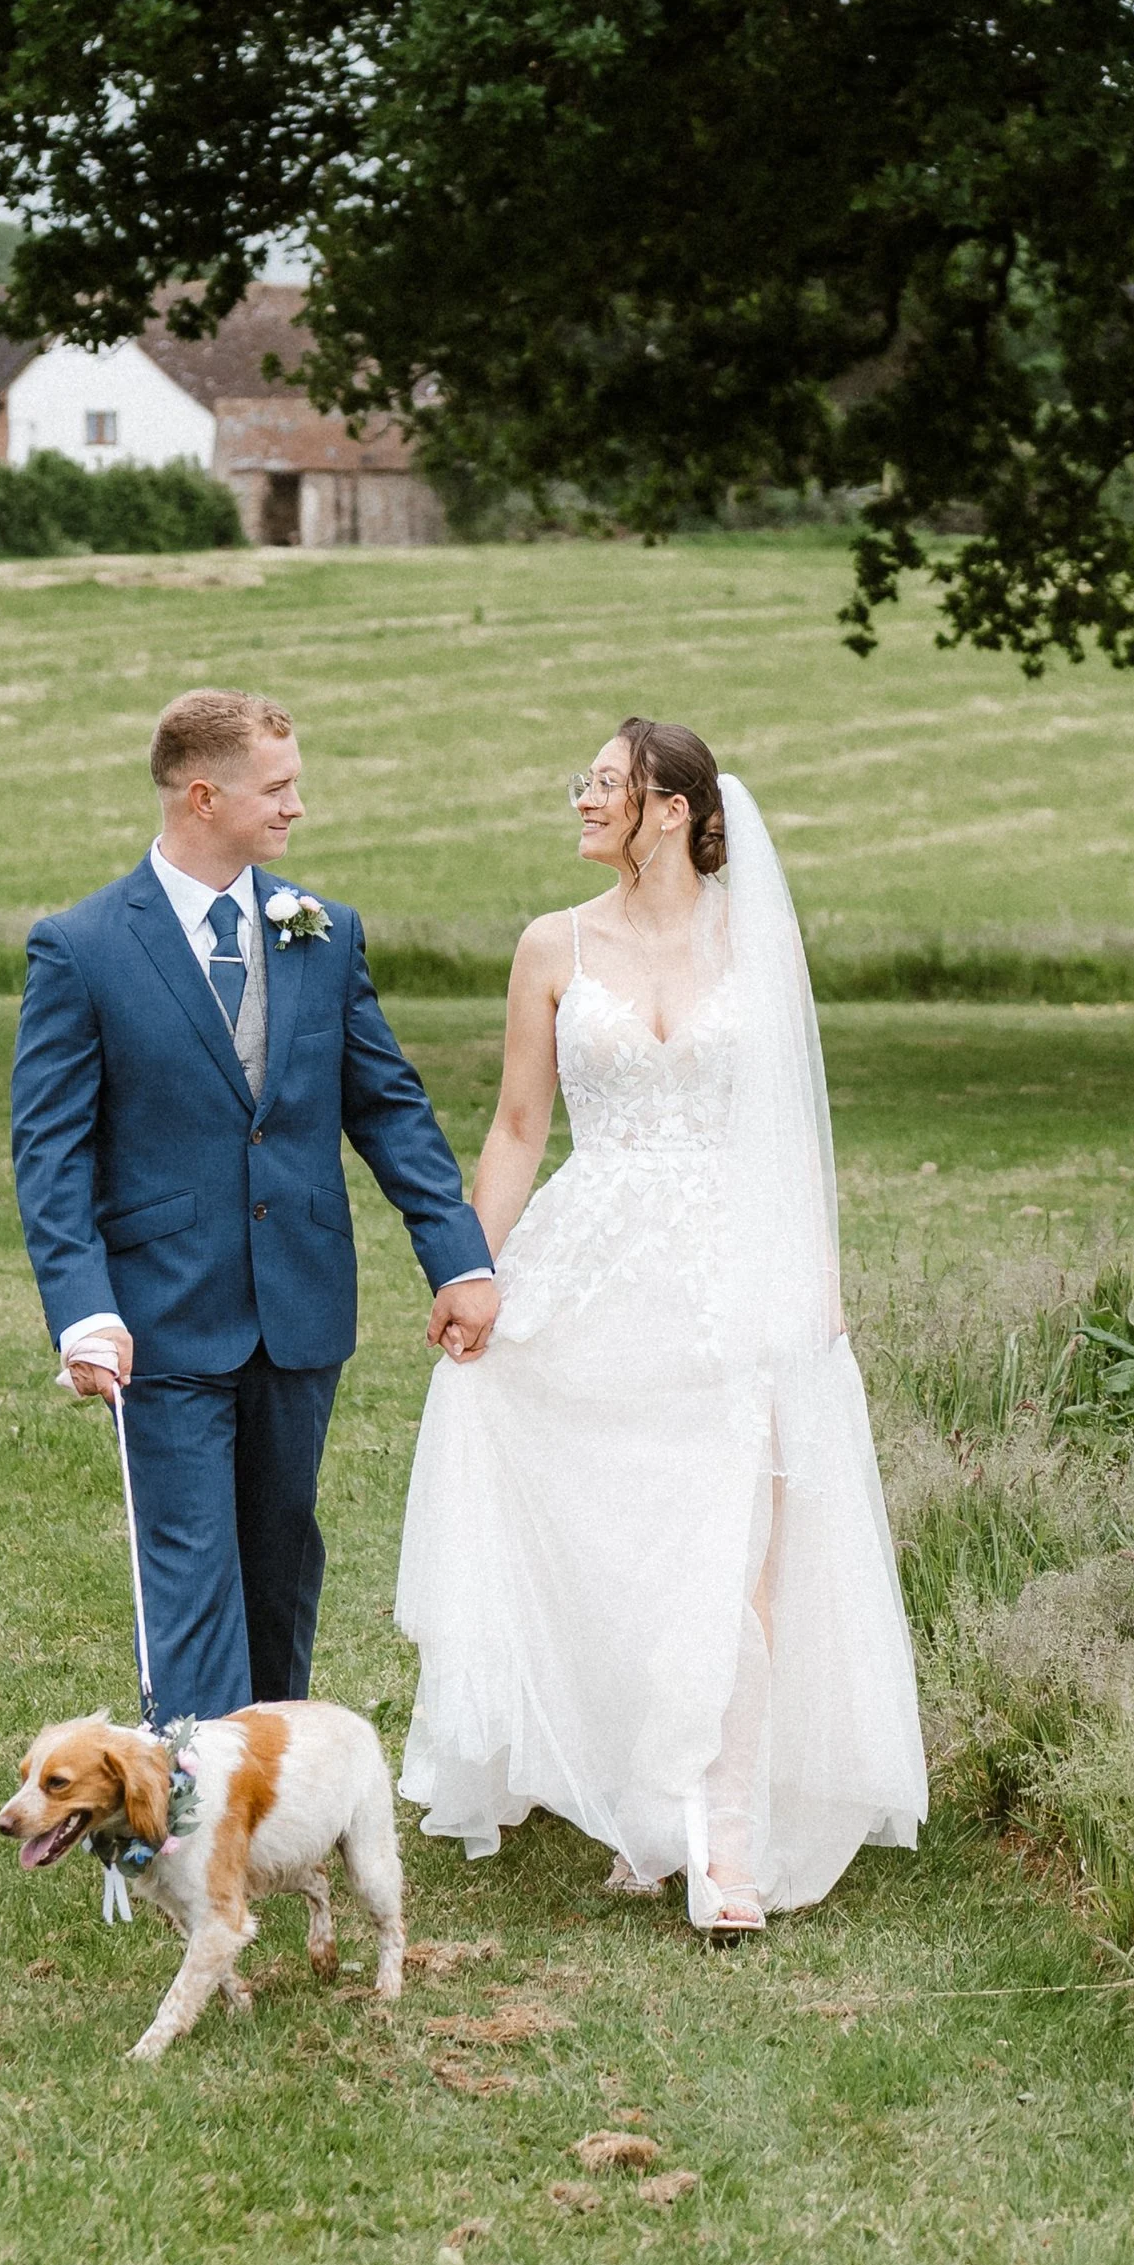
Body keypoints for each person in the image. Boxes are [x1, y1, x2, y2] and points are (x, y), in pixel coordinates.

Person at [397, 717, 926, 1932]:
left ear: (673, 808)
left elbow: (790, 1128)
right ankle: (639, 1797)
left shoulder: (757, 942)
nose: (580, 802)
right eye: (582, 785)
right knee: (617, 1540)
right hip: (594, 1262)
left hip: (737, 1271)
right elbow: (520, 1128)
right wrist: (470, 1269)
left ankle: (722, 1838)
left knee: (736, 1552)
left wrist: (816, 1282)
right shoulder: (549, 944)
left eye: (602, 786)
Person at [12, 687, 496, 1720]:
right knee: (190, 1573)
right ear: (202, 796)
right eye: (277, 789)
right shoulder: (82, 947)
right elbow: (49, 1151)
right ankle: (193, 1817)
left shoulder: (321, 930)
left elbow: (388, 1104)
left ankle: (270, 1791)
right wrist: (83, 1309)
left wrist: (457, 1258)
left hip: (301, 1307)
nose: (297, 809)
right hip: (163, 1318)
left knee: (280, 1564)